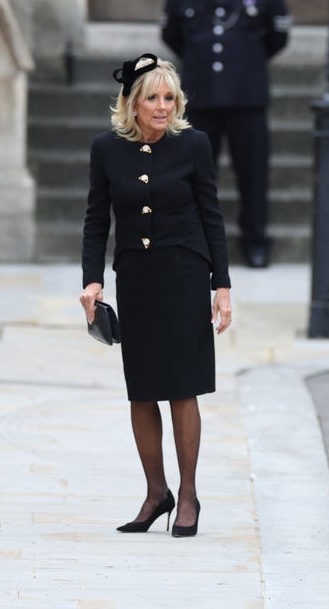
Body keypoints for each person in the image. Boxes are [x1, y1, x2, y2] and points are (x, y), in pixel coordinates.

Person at [80, 54, 233, 539]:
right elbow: (95, 220)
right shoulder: (106, 149)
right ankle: (155, 493)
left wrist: (221, 285)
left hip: (186, 274)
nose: (163, 106)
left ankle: (187, 497)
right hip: (137, 278)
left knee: (182, 387)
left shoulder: (194, 145)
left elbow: (212, 216)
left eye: (170, 97)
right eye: (153, 98)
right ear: (132, 103)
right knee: (143, 389)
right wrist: (92, 280)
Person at [160, 0, 291, 268]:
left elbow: (278, 37)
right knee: (196, 176)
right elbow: (172, 33)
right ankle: (195, 243)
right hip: (199, 96)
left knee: (253, 174)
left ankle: (255, 242)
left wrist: (245, 64)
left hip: (247, 97)